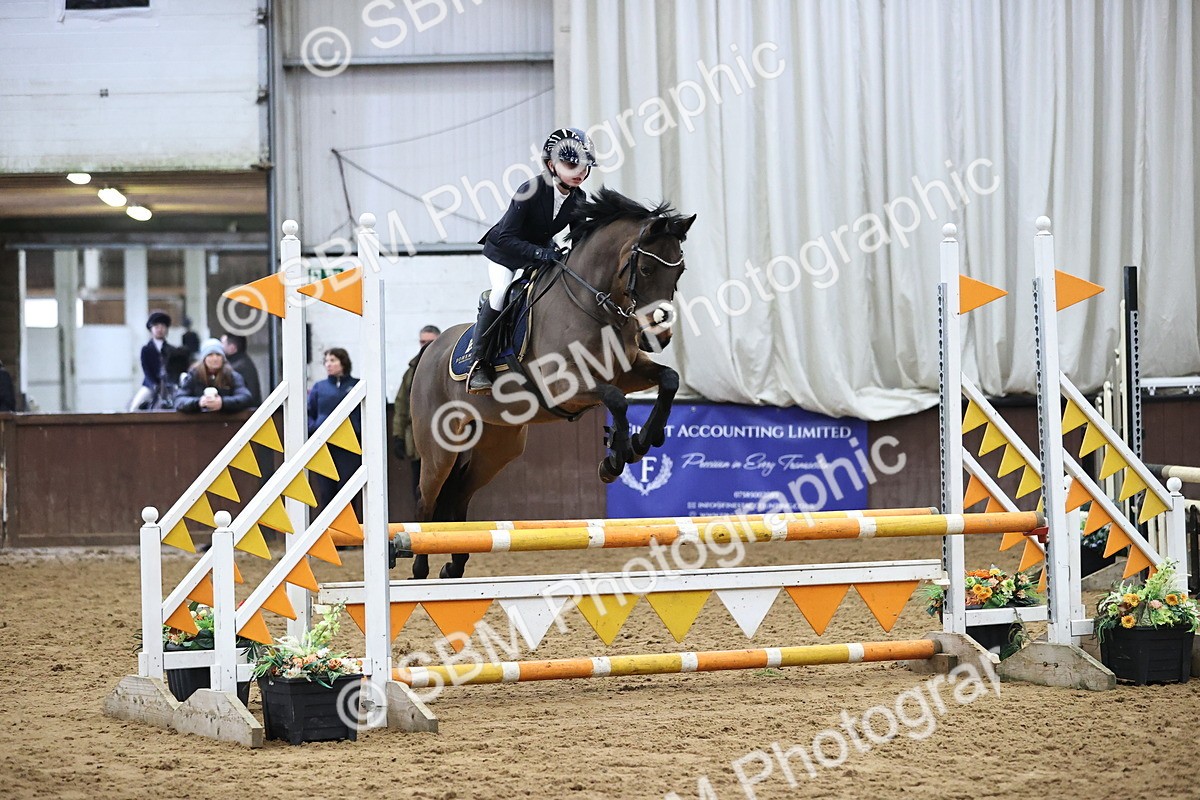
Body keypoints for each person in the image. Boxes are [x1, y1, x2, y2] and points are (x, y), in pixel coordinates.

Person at [468, 127, 596, 394]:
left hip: (540, 251)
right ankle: (479, 361)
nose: (580, 172)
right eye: (572, 165)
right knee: (501, 293)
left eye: (584, 166)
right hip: (505, 252)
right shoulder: (531, 189)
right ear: (551, 164)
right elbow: (506, 237)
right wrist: (541, 253)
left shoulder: (578, 197)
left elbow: (578, 237)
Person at [308, 348, 362, 513]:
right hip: (325, 445)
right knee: (326, 491)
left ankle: (350, 533)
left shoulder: (357, 385)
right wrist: (315, 428)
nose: (328, 364)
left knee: (348, 488)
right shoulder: (319, 387)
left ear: (343, 362)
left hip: (350, 446)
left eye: (333, 360)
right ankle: (328, 531)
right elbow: (309, 412)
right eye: (326, 361)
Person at [393, 325, 441, 501]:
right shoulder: (411, 372)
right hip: (417, 442)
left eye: (430, 342)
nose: (425, 346)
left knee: (447, 488)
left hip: (446, 438)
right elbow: (401, 406)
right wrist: (398, 436)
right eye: (422, 342)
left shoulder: (447, 370)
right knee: (419, 489)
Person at [174, 338, 253, 413]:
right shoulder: (193, 376)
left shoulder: (232, 376)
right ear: (204, 359)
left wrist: (222, 402)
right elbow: (179, 400)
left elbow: (245, 397)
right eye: (210, 355)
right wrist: (199, 402)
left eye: (218, 355)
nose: (215, 358)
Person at [130, 310, 178, 411]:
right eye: (156, 327)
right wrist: (154, 385)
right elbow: (146, 370)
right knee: (134, 406)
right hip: (151, 384)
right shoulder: (146, 349)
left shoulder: (172, 349)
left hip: (169, 385)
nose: (160, 330)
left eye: (163, 327)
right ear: (151, 329)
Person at [221, 333, 262, 406]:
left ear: (232, 347)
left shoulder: (237, 367)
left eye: (223, 344)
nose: (220, 347)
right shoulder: (243, 361)